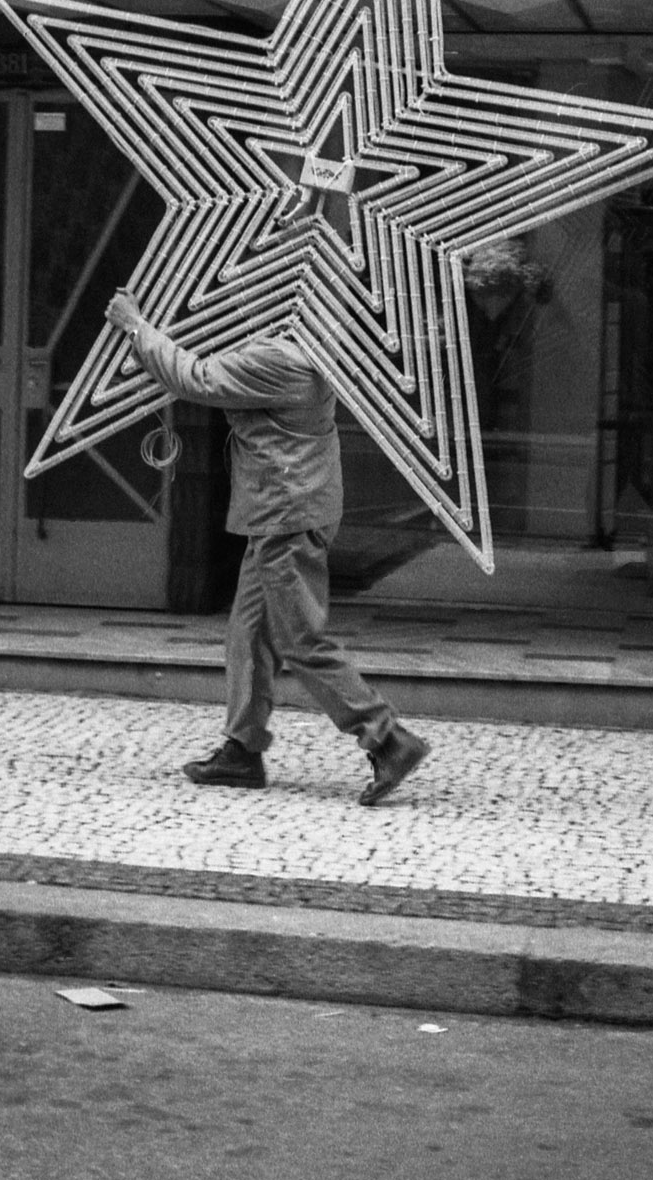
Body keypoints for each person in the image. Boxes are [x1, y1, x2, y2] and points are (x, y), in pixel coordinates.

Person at [105, 289, 430, 806]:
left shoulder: (278, 358)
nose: (245, 304)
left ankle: (387, 739)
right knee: (248, 632)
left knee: (300, 639)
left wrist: (136, 327)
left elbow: (198, 379)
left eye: (258, 295)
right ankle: (241, 748)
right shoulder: (308, 344)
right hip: (287, 510)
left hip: (286, 514)